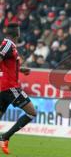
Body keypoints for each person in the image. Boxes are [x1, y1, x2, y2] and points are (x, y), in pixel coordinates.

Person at [0, 23, 37, 154]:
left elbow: (5, 65)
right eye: (19, 29)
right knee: (32, 112)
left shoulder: (10, 46)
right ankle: (5, 137)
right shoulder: (8, 44)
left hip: (3, 87)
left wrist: (20, 69)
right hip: (10, 87)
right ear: (17, 32)